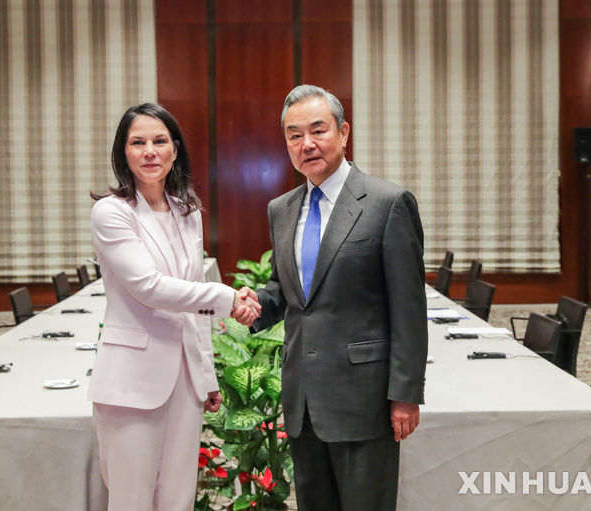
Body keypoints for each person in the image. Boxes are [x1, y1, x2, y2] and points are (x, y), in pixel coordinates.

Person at [238, 85, 428, 510]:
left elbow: (409, 309)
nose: (306, 143)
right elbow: (286, 290)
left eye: (317, 130)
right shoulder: (282, 209)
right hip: (304, 400)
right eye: (294, 135)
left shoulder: (387, 203)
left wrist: (405, 393)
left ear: (343, 133)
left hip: (364, 399)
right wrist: (256, 305)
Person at [88, 103, 259, 511]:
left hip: (184, 379)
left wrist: (206, 375)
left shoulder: (187, 212)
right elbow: (149, 287)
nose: (150, 151)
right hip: (132, 380)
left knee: (177, 498)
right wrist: (228, 299)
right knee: (132, 499)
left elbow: (192, 300)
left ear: (175, 149)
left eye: (160, 141)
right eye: (138, 143)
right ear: (123, 152)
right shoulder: (111, 212)